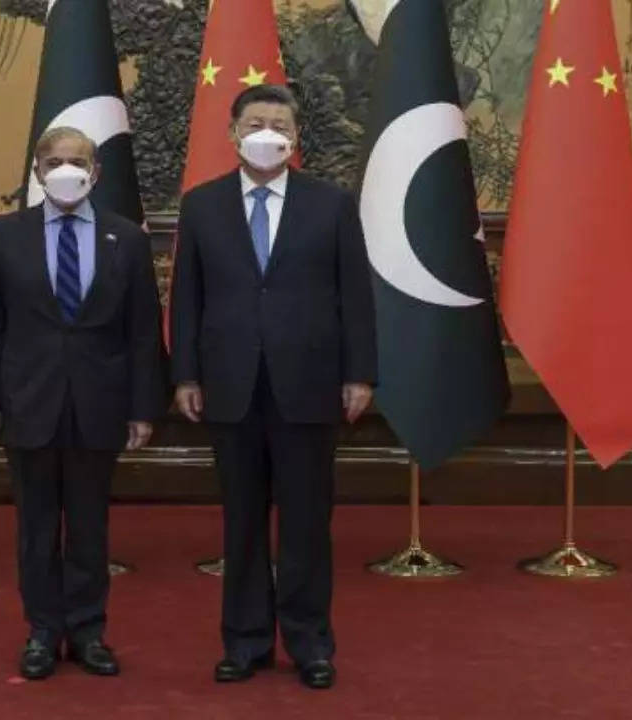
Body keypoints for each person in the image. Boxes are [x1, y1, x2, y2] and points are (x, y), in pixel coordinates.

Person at [169, 84, 378, 690]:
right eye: (255, 121)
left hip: (309, 385)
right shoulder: (201, 205)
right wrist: (184, 372)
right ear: (232, 134)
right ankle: (245, 642)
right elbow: (187, 298)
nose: (267, 132)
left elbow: (355, 298)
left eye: (278, 123)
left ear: (295, 137)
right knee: (241, 522)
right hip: (229, 385)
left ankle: (310, 643)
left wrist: (359, 372)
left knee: (308, 522)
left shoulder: (331, 204)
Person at [0, 126, 165, 680]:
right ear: (36, 170)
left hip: (99, 404)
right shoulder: (6, 237)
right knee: (35, 528)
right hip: (27, 402)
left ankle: (87, 631)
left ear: (96, 172)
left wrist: (142, 407)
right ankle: (41, 631)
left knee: (88, 526)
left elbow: (143, 331)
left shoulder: (125, 238)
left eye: (76, 161)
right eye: (53, 160)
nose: (65, 170)